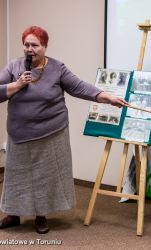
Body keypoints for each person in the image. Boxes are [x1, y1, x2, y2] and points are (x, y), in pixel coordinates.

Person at [0, 26, 128, 234]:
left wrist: (108, 97)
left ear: (44, 46)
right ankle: (14, 214)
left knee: (45, 176)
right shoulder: (14, 66)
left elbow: (81, 87)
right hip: (19, 132)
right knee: (17, 176)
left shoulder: (57, 68)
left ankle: (41, 216)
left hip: (51, 131)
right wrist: (17, 84)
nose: (30, 49)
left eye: (35, 45)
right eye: (26, 45)